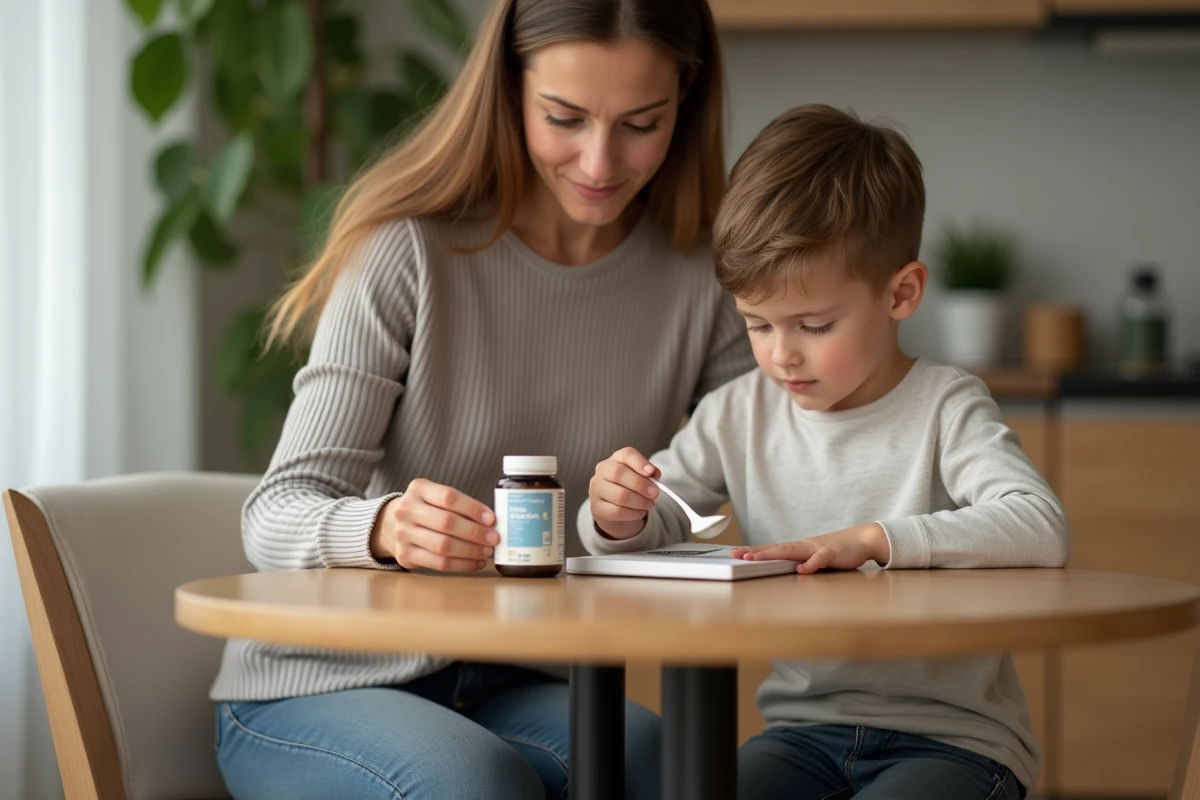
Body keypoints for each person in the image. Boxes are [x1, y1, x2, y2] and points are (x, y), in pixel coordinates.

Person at [210, 1, 755, 798]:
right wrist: (387, 526)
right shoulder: (407, 250)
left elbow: (767, 458)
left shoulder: (701, 278)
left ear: (688, 102)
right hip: (318, 683)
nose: (600, 161)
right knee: (477, 781)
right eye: (564, 117)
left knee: (661, 767)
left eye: (642, 122)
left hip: (520, 681)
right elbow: (275, 511)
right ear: (507, 91)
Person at [582, 104, 1070, 800]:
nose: (781, 353)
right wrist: (616, 515)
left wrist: (874, 540)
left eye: (814, 324)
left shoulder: (945, 406)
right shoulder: (735, 413)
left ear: (900, 293)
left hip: (957, 743)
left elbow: (1040, 524)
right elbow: (653, 524)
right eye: (757, 323)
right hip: (803, 736)